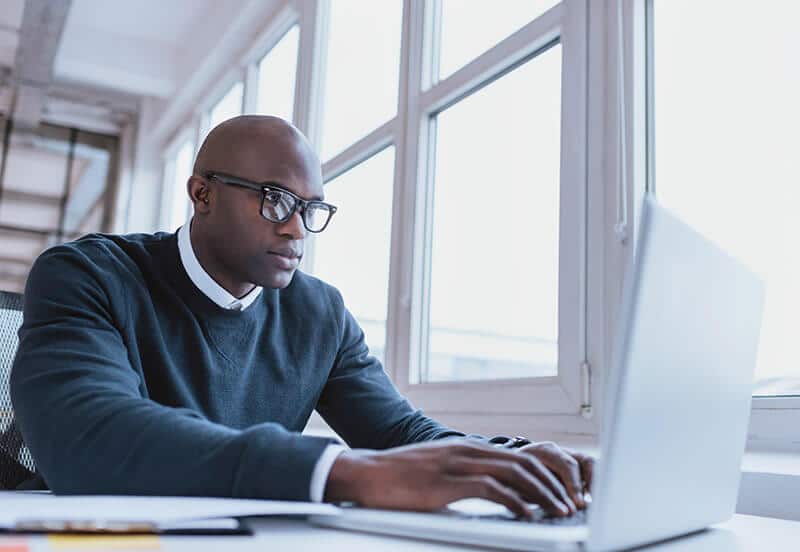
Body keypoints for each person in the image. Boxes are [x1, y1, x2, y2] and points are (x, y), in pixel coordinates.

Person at [11, 116, 592, 520]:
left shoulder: (320, 314)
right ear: (202, 194)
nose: (294, 228)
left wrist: (509, 458)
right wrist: (343, 472)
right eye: (274, 199)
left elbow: (398, 436)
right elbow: (86, 435)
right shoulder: (88, 273)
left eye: (310, 209)